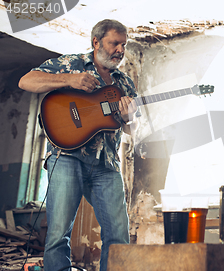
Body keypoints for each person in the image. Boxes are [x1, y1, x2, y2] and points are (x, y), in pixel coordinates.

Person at [18, 19, 138, 271]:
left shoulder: (124, 83)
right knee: (58, 233)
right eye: (114, 43)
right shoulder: (71, 64)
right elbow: (26, 81)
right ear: (96, 42)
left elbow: (129, 129)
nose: (120, 50)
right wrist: (68, 80)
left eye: (123, 45)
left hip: (107, 164)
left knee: (118, 235)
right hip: (67, 156)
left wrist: (129, 118)